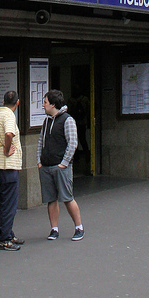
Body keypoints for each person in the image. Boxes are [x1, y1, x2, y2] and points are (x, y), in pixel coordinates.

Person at [37, 89, 84, 242]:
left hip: (60, 166)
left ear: (53, 104)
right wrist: (39, 161)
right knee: (51, 199)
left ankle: (79, 227)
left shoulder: (67, 120)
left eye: (45, 102)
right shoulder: (46, 121)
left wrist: (64, 163)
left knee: (67, 198)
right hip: (46, 166)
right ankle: (54, 229)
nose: (43, 105)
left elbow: (72, 143)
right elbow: (41, 142)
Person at [0, 90, 24, 251]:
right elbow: (9, 134)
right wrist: (7, 148)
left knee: (3, 201)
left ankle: (8, 233)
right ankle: (4, 239)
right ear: (17, 103)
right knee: (10, 203)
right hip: (8, 165)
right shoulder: (9, 115)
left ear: (3, 102)